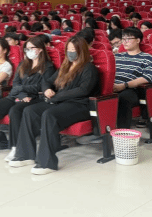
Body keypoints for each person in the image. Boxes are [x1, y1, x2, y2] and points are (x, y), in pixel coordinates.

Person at [9, 36, 100, 174]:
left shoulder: (89, 68)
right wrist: (47, 89)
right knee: (30, 111)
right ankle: (25, 155)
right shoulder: (65, 66)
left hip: (79, 105)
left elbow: (83, 90)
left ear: (82, 51)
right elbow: (47, 81)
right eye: (68, 49)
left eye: (74, 50)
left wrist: (57, 96)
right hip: (60, 101)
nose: (70, 52)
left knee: (49, 114)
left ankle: (47, 163)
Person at [0, 36, 56, 158]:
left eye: (32, 48)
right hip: (17, 95)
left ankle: (15, 147)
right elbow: (16, 83)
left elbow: (41, 86)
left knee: (15, 111)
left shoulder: (48, 67)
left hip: (34, 98)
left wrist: (23, 90)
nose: (28, 51)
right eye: (27, 49)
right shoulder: (23, 64)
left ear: (40, 49)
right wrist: (22, 93)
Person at [114, 27, 152, 129]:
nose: (124, 42)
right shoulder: (117, 57)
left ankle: (122, 131)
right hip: (114, 86)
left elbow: (147, 78)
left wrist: (124, 85)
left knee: (123, 97)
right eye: (123, 39)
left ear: (138, 40)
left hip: (133, 90)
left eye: (128, 39)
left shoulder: (147, 58)